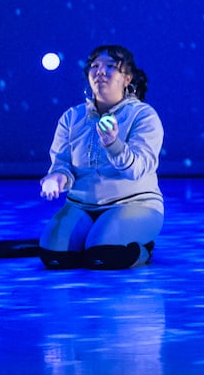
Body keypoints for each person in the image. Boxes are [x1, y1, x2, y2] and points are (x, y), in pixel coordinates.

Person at [37, 44, 164, 270]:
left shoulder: (143, 115)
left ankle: (143, 248)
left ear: (127, 78)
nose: (100, 71)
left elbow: (138, 169)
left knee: (103, 256)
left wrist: (113, 144)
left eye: (110, 67)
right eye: (94, 66)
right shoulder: (72, 117)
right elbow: (62, 164)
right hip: (82, 205)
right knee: (55, 259)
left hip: (133, 203)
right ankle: (89, 236)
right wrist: (57, 177)